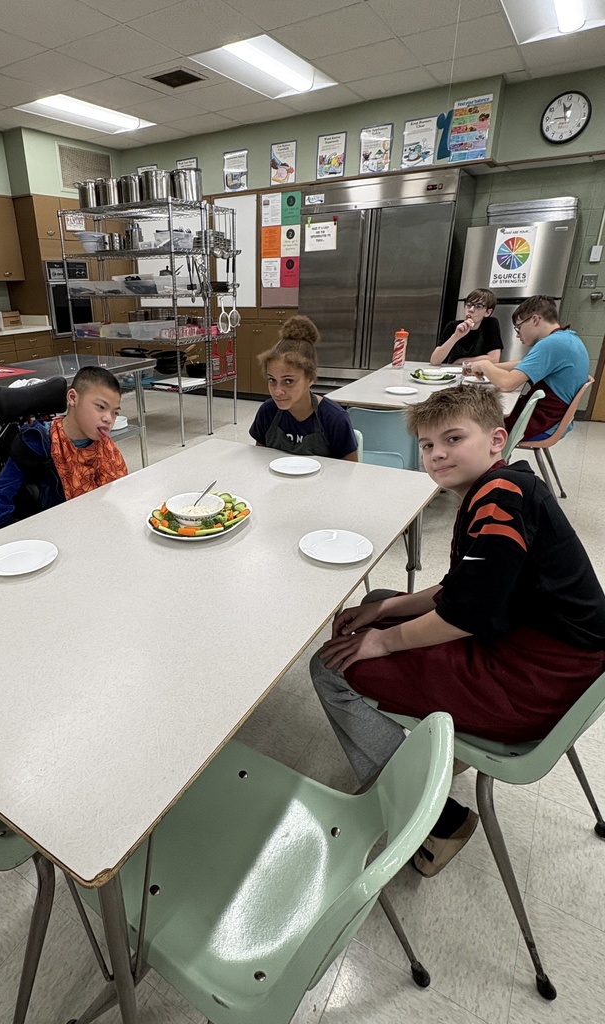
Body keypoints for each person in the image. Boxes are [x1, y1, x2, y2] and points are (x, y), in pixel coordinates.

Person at [310, 385, 605, 876]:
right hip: (552, 654)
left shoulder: (498, 499)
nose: (437, 453)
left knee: (330, 666)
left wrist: (379, 640)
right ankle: (428, 754)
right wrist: (384, 614)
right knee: (377, 603)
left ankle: (436, 820)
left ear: (496, 439)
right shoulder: (503, 484)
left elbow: (466, 616)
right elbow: (462, 589)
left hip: (538, 679)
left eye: (452, 438)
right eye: (427, 445)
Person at [0, 366, 128, 530]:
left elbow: (119, 492)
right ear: (73, 398)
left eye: (115, 413)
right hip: (50, 530)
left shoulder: (105, 447)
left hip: (97, 525)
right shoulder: (37, 443)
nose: (108, 419)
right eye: (100, 407)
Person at [469, 294, 589, 440]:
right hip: (553, 417)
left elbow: (507, 384)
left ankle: (491, 461)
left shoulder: (551, 344)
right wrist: (492, 366)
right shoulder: (567, 338)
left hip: (544, 421)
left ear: (535, 319)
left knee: (471, 425)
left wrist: (485, 364)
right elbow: (524, 364)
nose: (518, 335)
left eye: (518, 327)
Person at [249, 315, 358, 460]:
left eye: (288, 381)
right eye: (272, 380)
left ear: (310, 378)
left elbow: (349, 471)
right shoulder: (268, 412)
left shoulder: (334, 419)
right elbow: (261, 460)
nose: (277, 391)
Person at [430, 288, 503, 366]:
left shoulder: (490, 324)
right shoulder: (453, 326)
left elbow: (494, 359)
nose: (471, 310)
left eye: (478, 306)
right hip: (452, 374)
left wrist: (461, 361)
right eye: (468, 305)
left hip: (478, 374)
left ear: (488, 312)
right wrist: (456, 336)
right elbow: (434, 361)